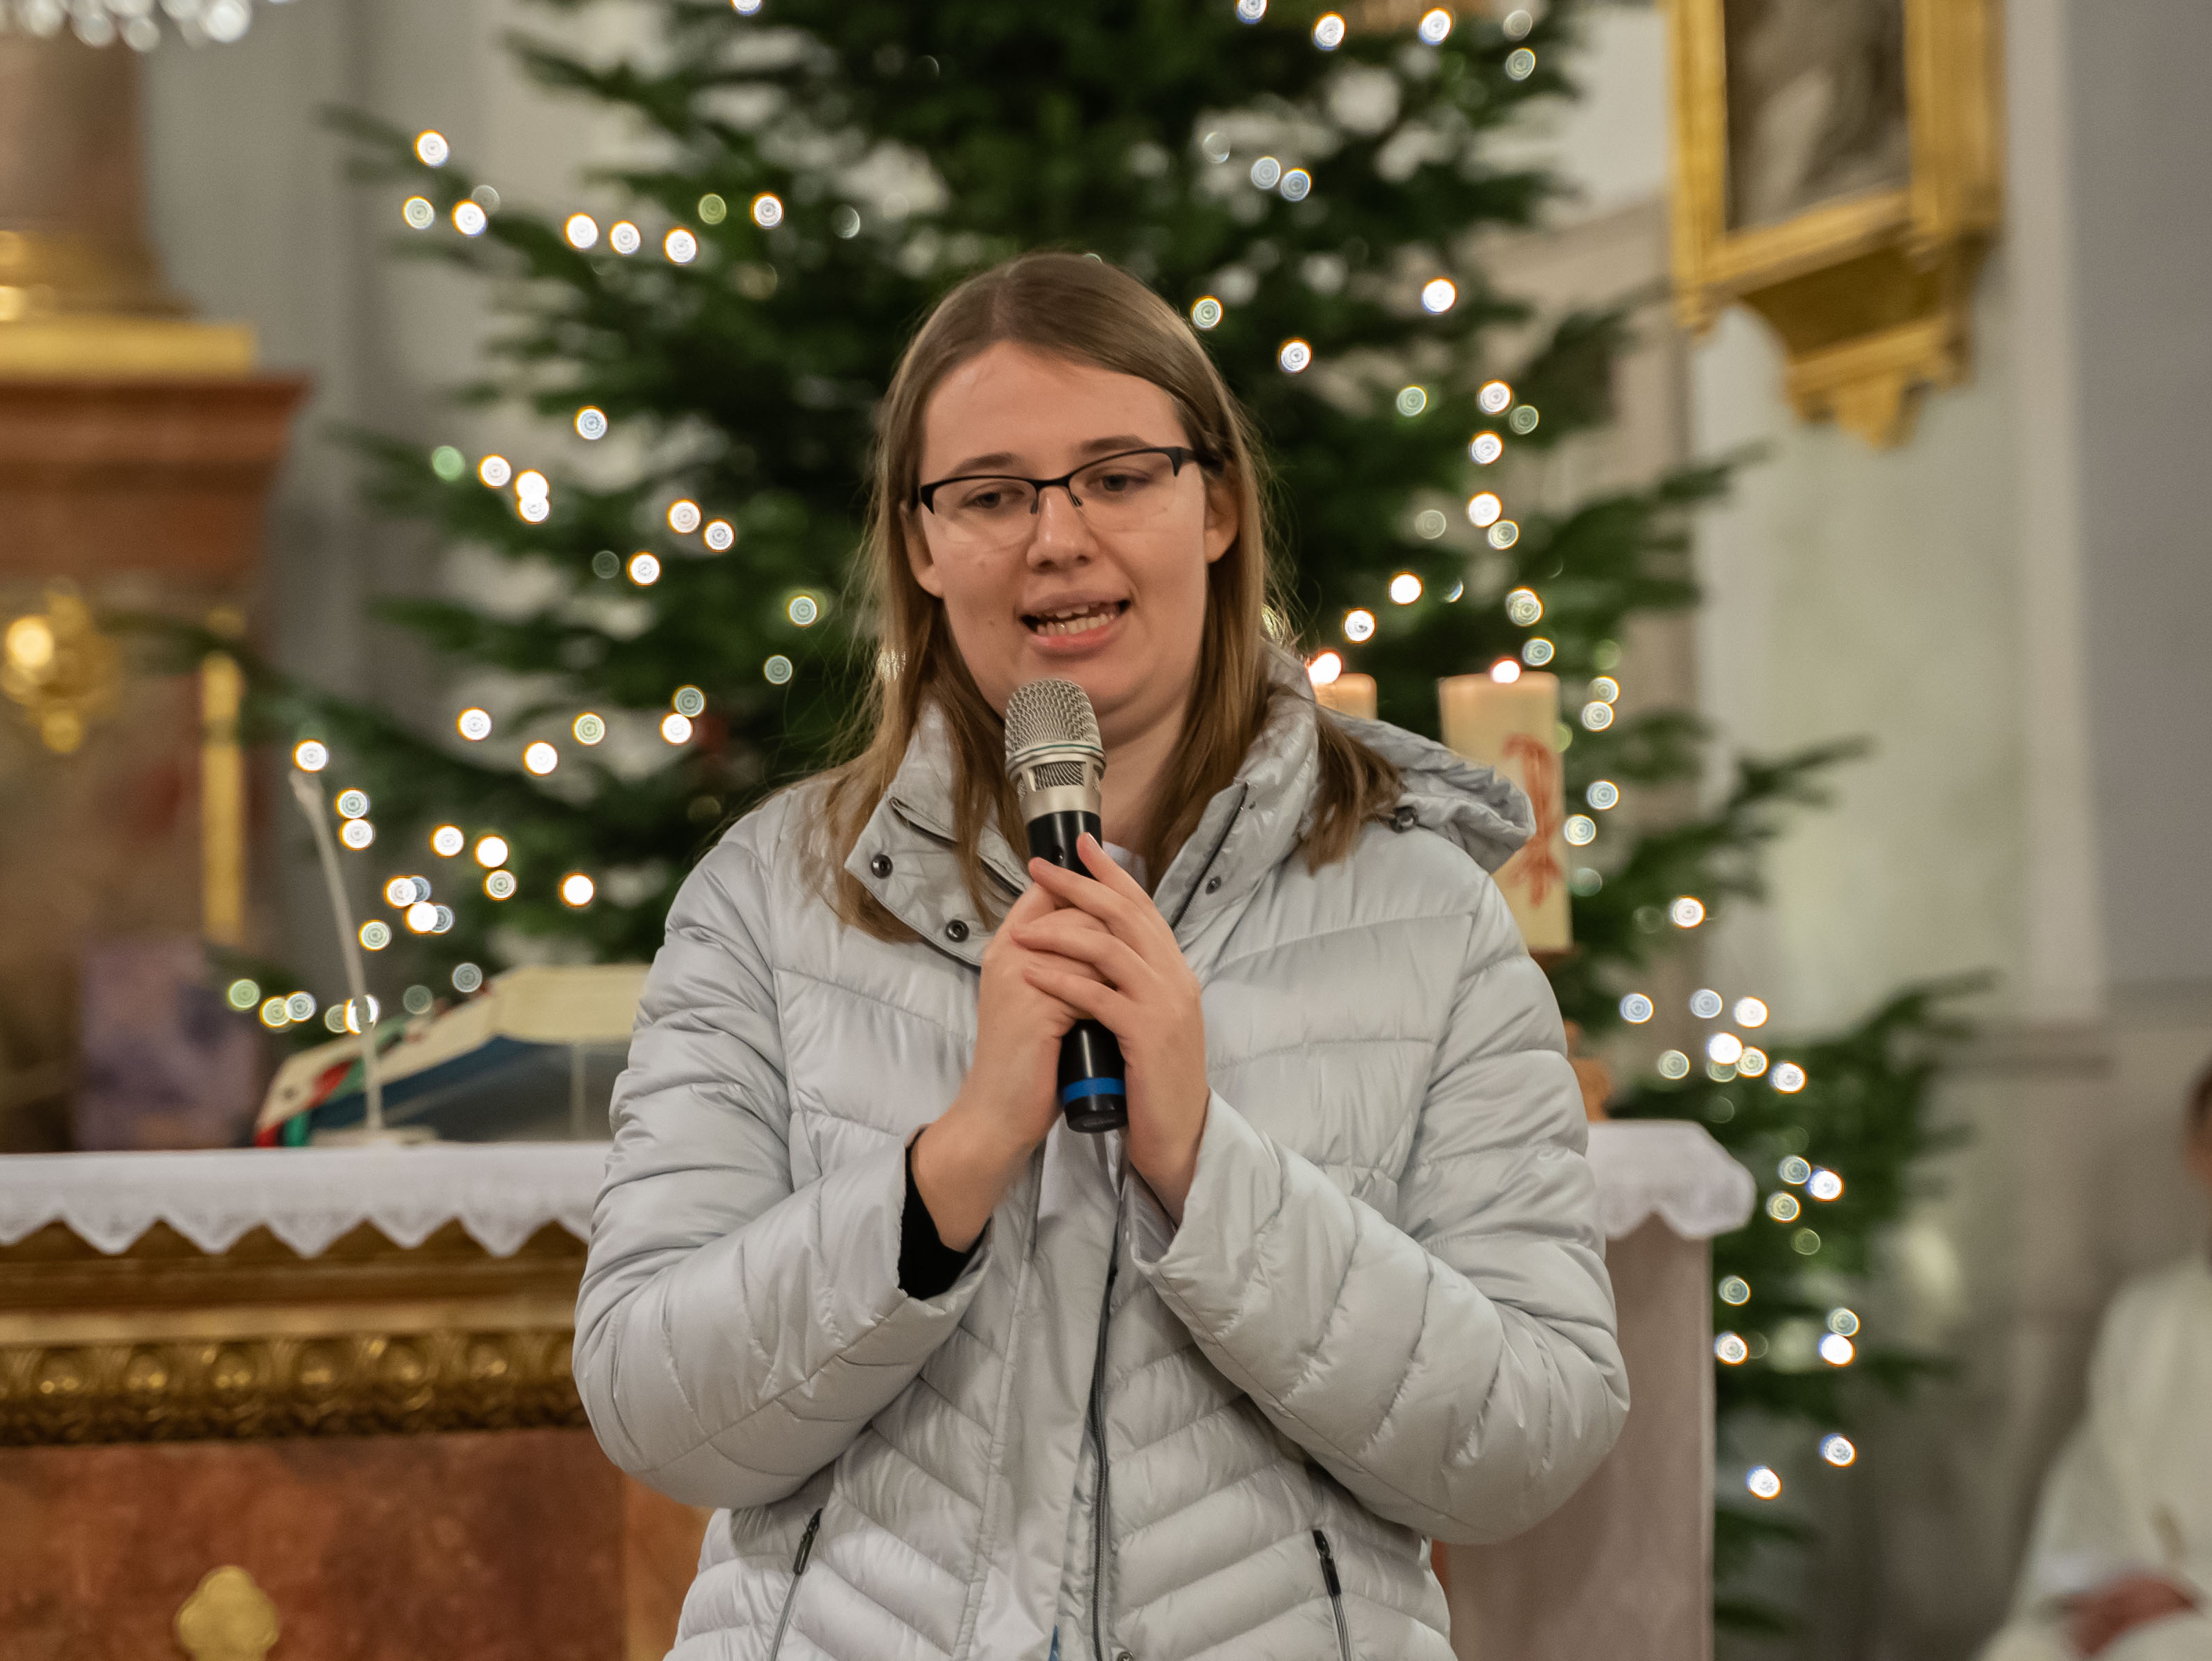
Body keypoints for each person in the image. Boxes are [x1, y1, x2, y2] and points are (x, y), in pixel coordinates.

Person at [578, 251, 1628, 1660]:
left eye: (1119, 476)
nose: (1057, 539)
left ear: (1217, 507)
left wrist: (1204, 1164)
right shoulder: (771, 899)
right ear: (921, 542)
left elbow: (1530, 1435)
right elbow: (652, 1404)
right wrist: (954, 1164)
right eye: (991, 494)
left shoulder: (1427, 913)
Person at [1979, 1042, 2212, 1661]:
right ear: (2197, 1154)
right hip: (2145, 1595)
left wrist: (2201, 1587)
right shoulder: (2148, 1314)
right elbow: (2099, 1482)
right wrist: (2093, 1591)